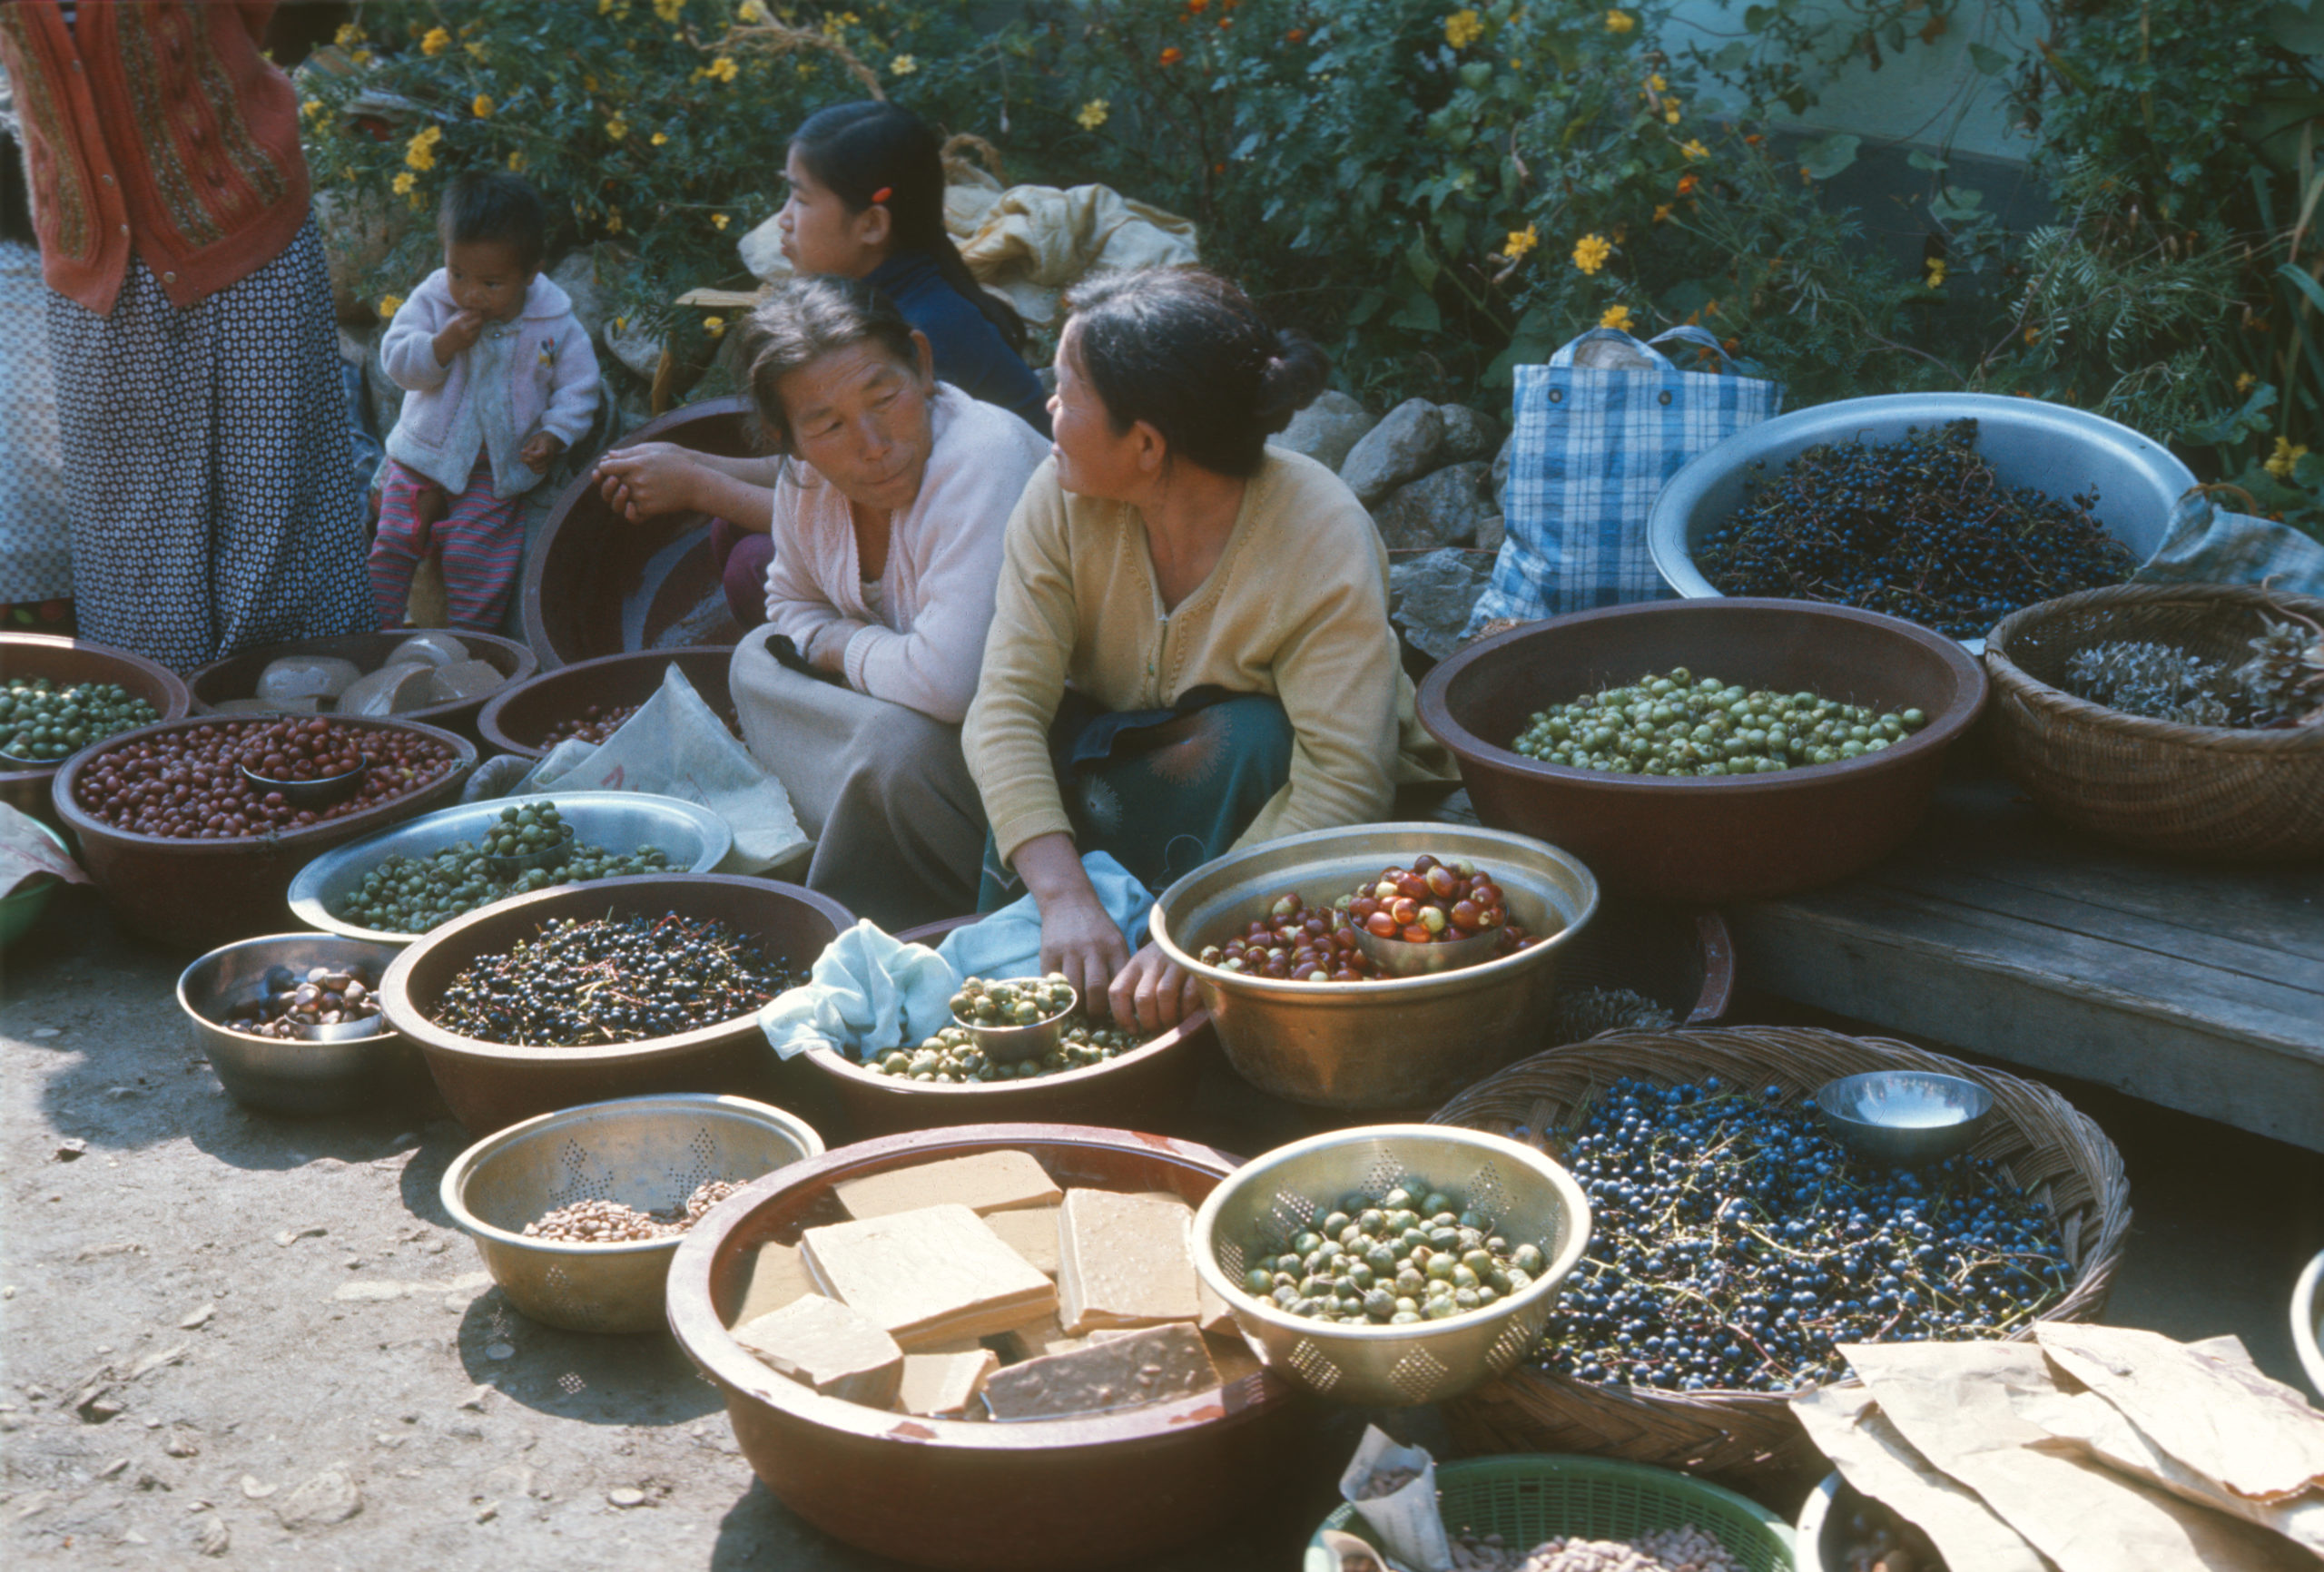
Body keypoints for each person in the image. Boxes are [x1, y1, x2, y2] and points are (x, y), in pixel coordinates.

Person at [962, 268, 1456, 1034]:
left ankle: (1219, 1013)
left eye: (1066, 390)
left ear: (1148, 444)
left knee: (1252, 737)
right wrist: (1064, 899)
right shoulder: (1058, 501)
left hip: (1264, 799)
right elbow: (1004, 709)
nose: (1047, 407)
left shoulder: (1318, 529)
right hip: (1128, 750)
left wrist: (1198, 929)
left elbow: (1344, 782)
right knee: (1038, 770)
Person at [0, 0, 376, 670]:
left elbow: (287, 15)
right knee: (134, 558)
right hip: (92, 261)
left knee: (276, 530)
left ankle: (294, 736)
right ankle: (169, 748)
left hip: (239, 223)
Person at [593, 100, 1046, 630]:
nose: (782, 221)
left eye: (801, 199)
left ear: (873, 224)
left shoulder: (916, 339)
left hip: (993, 573)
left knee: (753, 567)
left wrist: (697, 486)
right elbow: (827, 465)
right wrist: (690, 460)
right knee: (730, 530)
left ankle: (850, 683)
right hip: (907, 513)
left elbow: (880, 501)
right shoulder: (875, 311)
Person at [727, 275, 1049, 929]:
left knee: (894, 746)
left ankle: (881, 900)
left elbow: (952, 684)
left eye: (885, 396)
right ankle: (865, 822)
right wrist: (849, 649)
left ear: (922, 366)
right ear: (787, 437)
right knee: (753, 658)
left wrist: (841, 644)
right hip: (913, 700)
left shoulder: (984, 457)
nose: (872, 444)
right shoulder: (807, 477)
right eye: (827, 424)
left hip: (1037, 757)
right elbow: (788, 597)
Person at [369, 172, 601, 633]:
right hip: (422, 457)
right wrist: (439, 346)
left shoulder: (553, 322)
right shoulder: (434, 301)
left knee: (476, 560)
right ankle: (374, 633)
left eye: (491, 283)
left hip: (493, 471)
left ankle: (471, 652)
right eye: (459, 274)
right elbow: (395, 359)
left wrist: (554, 434)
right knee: (395, 539)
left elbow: (579, 386)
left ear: (531, 272)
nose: (471, 293)